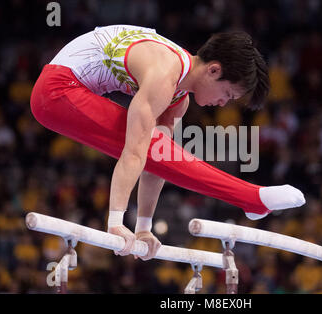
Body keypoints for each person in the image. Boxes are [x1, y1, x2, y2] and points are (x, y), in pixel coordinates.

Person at [30, 24, 305, 260]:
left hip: (74, 89)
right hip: (56, 90)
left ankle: (251, 199)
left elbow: (156, 162)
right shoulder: (164, 74)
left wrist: (144, 227)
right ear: (213, 70)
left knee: (160, 150)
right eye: (228, 94)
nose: (223, 103)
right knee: (141, 143)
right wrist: (115, 222)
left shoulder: (178, 98)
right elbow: (135, 153)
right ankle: (250, 197)